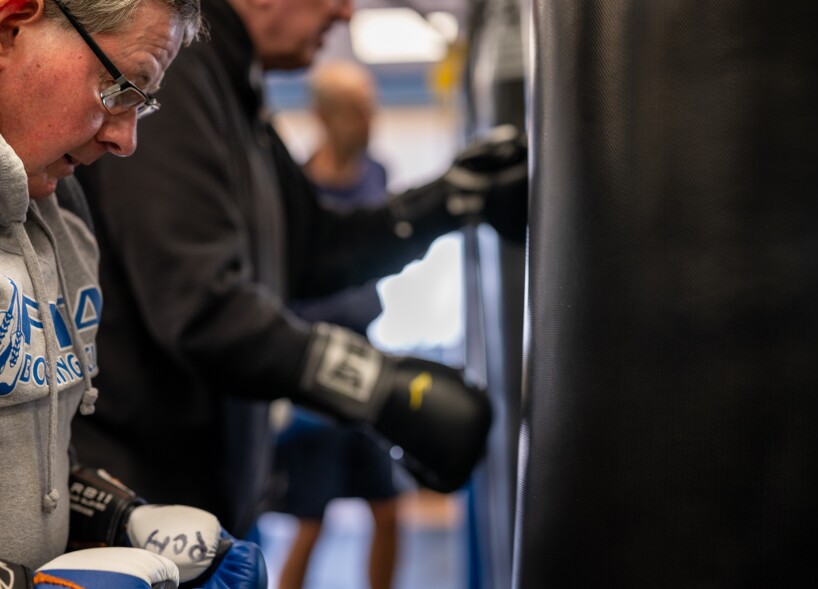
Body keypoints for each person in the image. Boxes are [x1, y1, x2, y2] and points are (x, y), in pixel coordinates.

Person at [71, 0, 527, 546]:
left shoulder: (236, 92)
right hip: (139, 513)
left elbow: (314, 250)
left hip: (205, 502)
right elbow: (201, 306)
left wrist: (449, 201)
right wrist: (375, 386)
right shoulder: (174, 74)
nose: (344, 12)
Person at [0, 1, 266, 585]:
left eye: (141, 102)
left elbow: (29, 464)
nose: (126, 140)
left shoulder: (63, 218)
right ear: (10, 25)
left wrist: (118, 516)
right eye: (119, 87)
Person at [274, 60, 401, 589]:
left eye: (370, 109)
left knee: (390, 509)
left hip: (368, 358)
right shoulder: (297, 190)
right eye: (354, 110)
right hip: (313, 369)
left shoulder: (377, 173)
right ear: (324, 116)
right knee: (310, 520)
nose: (367, 121)